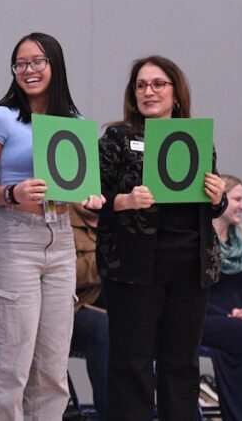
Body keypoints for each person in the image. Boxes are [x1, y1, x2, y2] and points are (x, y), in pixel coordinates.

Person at [0, 32, 104, 420]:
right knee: (9, 368)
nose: (29, 70)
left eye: (37, 62)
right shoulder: (1, 117)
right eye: (21, 63)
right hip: (14, 239)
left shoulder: (72, 121)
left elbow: (79, 185)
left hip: (59, 237)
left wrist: (89, 198)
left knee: (51, 368)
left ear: (55, 65)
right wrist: (13, 193)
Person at [97, 55, 226, 421]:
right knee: (132, 367)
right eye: (140, 85)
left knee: (182, 366)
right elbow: (90, 196)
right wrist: (125, 200)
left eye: (157, 84)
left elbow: (212, 206)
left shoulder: (198, 140)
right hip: (135, 268)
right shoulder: (118, 139)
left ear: (176, 93)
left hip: (191, 268)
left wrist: (219, 197)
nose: (148, 91)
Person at [202, 174, 242, 421]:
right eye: (237, 199)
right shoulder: (201, 242)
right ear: (221, 199)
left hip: (238, 319)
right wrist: (230, 316)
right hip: (205, 316)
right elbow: (196, 291)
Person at [68, 202, 109, 419]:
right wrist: (110, 258)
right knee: (105, 328)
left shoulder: (120, 218)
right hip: (73, 310)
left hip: (122, 308)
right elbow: (67, 275)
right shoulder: (61, 218)